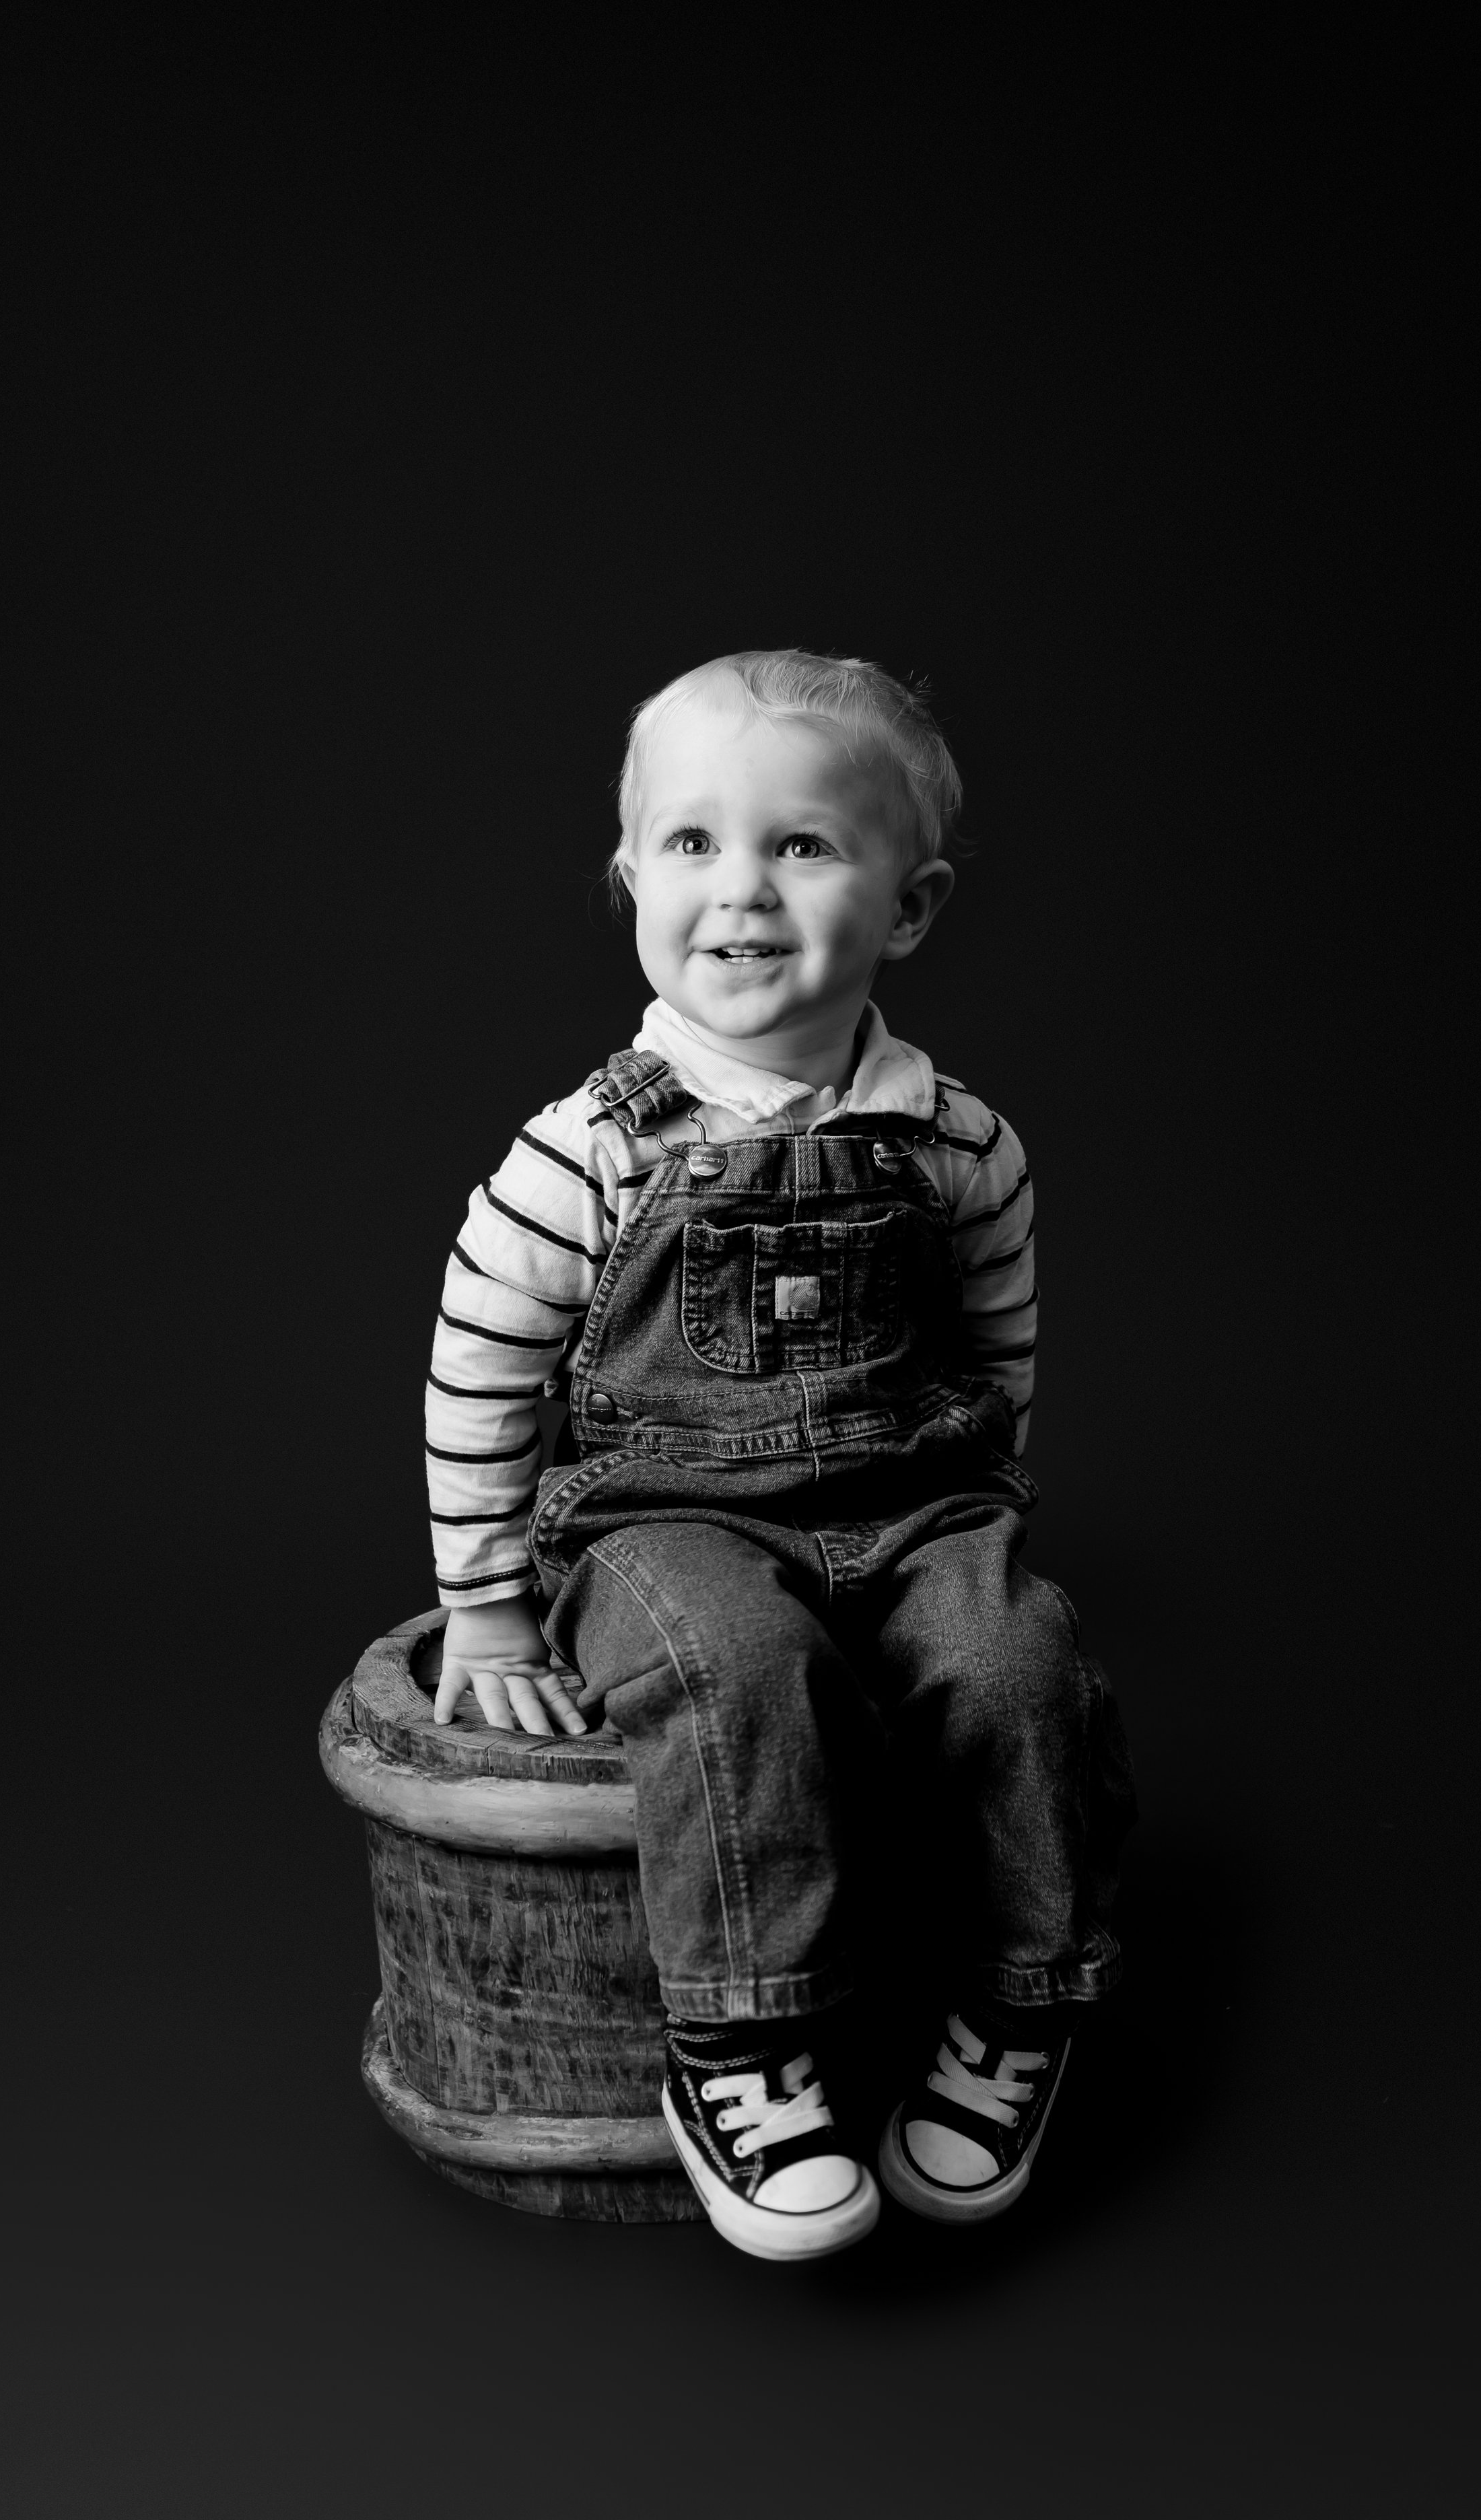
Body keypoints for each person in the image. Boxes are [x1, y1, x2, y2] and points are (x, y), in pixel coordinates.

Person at [425, 650, 1136, 2259]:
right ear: (626, 885)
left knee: (1016, 1658)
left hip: (911, 1499)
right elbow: (480, 1369)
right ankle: (739, 2046)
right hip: (659, 1516)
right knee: (734, 1663)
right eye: (688, 845)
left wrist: (975, 1525)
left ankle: (1014, 2008)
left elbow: (994, 1340)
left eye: (801, 846)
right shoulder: (592, 1145)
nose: (738, 890)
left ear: (911, 904)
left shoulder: (955, 1144)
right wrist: (479, 1601)